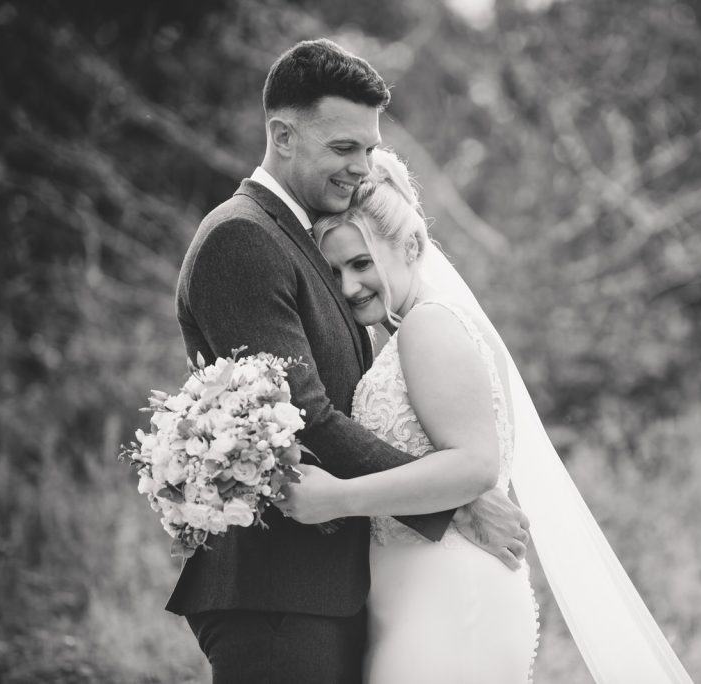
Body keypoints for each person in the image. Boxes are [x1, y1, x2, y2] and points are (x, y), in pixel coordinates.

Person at [168, 38, 530, 684]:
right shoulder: (242, 238)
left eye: (369, 147)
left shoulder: (306, 239)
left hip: (334, 591)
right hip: (280, 593)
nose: (363, 166)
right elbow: (307, 418)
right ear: (282, 136)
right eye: (344, 148)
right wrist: (454, 502)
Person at [278, 148, 540, 683]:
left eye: (361, 263)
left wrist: (337, 498)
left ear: (413, 246)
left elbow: (475, 467)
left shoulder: (428, 327)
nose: (349, 287)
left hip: (449, 595)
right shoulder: (412, 335)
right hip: (418, 596)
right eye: (334, 271)